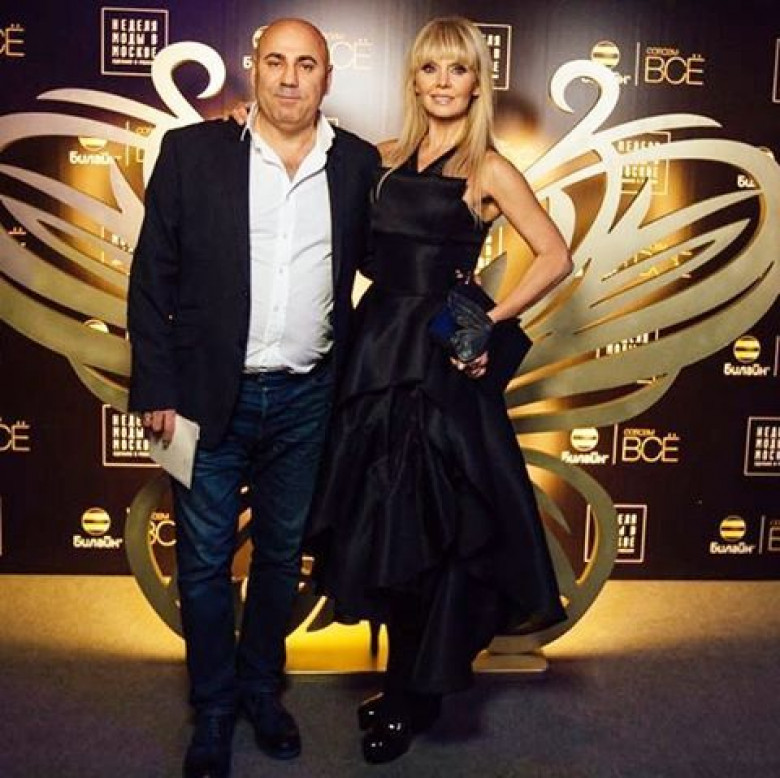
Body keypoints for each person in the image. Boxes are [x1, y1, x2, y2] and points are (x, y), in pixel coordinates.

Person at [307, 16, 573, 765]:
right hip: (374, 349)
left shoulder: (488, 169)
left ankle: (410, 694)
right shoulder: (384, 158)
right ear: (415, 80)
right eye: (431, 68)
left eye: (458, 69)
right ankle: (407, 685)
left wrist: (487, 321)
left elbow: (554, 255)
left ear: (477, 82)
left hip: (436, 361)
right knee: (378, 521)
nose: (443, 82)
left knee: (434, 529)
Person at [127, 17, 378, 778]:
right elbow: (152, 276)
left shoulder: (359, 164)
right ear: (253, 69)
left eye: (307, 64)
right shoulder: (192, 152)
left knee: (280, 556)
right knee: (204, 562)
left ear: (327, 77)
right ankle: (213, 705)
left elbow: (402, 258)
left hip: (308, 396)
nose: (290, 78)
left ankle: (262, 689)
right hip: (206, 398)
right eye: (276, 62)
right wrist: (157, 385)